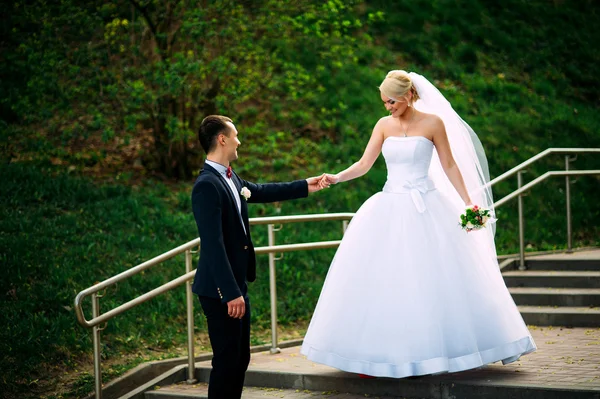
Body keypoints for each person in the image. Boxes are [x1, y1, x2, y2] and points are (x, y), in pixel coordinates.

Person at [301, 70, 536, 379]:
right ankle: (377, 356)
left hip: (427, 206)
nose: (388, 107)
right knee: (386, 279)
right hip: (389, 206)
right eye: (384, 102)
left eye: (392, 102)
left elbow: (449, 165)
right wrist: (336, 176)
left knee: (435, 277)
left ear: (409, 95)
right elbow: (364, 164)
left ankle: (443, 352)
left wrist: (469, 203)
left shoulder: (433, 123)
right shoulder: (383, 126)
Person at [191, 115, 326, 398]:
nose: (240, 140)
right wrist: (229, 293)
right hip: (220, 291)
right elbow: (212, 245)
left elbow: (261, 191)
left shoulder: (229, 176)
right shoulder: (207, 185)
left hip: (237, 285)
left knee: (240, 361)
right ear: (222, 139)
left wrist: (305, 185)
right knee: (227, 362)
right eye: (236, 135)